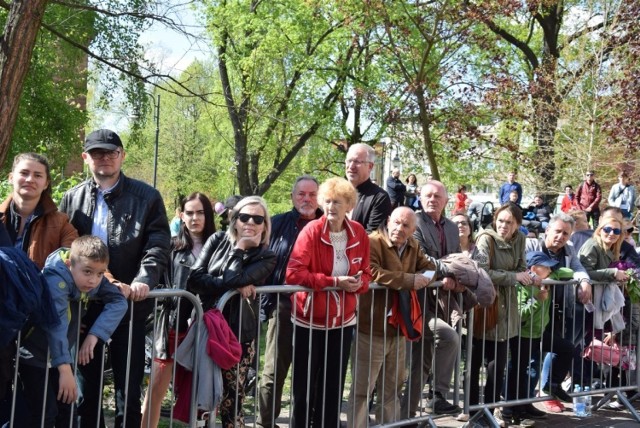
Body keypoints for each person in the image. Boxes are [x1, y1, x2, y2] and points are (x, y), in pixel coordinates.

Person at [59, 129, 171, 428]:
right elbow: (63, 247)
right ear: (86, 158)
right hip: (86, 307)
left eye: (111, 152)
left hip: (130, 307)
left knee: (128, 392)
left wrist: (143, 279)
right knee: (86, 392)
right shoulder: (72, 198)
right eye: (97, 153)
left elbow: (158, 243)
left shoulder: (147, 197)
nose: (105, 158)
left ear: (122, 155)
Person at [286, 177, 371, 428]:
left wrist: (359, 283)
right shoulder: (311, 230)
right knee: (304, 388)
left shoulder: (359, 232)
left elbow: (366, 273)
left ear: (349, 205)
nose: (332, 206)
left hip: (343, 321)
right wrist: (334, 281)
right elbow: (293, 274)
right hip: (309, 320)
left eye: (338, 201)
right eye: (328, 201)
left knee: (332, 388)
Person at [19, 236, 127, 428]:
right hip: (35, 357)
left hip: (59, 357)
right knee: (44, 414)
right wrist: (65, 370)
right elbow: (56, 325)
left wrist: (95, 335)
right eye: (87, 272)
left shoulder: (93, 278)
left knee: (67, 414)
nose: (93, 280)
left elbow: (119, 301)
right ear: (69, 264)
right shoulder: (55, 281)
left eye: (100, 273)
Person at [188, 195, 276, 427]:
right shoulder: (217, 239)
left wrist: (240, 249)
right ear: (234, 219)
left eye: (258, 219)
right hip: (208, 328)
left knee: (231, 400)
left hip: (238, 335)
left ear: (265, 225)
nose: (250, 223)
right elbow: (194, 278)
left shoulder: (267, 256)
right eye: (244, 217)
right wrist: (231, 285)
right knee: (202, 396)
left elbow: (231, 276)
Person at [347, 207, 437, 427]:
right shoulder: (372, 242)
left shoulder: (413, 245)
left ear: (413, 229)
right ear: (388, 220)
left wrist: (423, 277)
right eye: (396, 222)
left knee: (392, 390)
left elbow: (430, 268)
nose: (399, 228)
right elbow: (372, 271)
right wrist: (409, 280)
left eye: (406, 225)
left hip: (398, 329)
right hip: (372, 328)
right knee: (362, 391)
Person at [141, 192, 216, 428]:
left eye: (200, 212)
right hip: (173, 327)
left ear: (208, 215)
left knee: (201, 390)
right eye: (190, 213)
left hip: (207, 328)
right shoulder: (171, 247)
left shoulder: (220, 246)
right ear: (181, 216)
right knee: (157, 388)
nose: (195, 218)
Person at [256, 176, 323, 428]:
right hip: (283, 306)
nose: (306, 199)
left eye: (312, 194)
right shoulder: (277, 224)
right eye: (301, 194)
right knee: (274, 371)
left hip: (320, 310)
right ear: (293, 197)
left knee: (311, 374)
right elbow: (264, 259)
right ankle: (265, 422)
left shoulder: (330, 224)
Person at [401, 180, 463, 417]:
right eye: (427, 195)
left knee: (423, 362)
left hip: (441, 301)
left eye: (437, 196)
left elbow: (456, 258)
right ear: (419, 198)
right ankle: (431, 398)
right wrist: (448, 271)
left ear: (446, 201)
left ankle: (414, 412)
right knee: (445, 338)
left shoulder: (450, 227)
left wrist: (452, 274)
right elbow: (423, 260)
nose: (432, 200)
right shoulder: (414, 222)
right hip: (415, 300)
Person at [470, 203, 534, 426]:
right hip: (486, 306)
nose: (503, 225)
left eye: (509, 222)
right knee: (476, 362)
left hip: (508, 309)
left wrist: (517, 276)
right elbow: (482, 271)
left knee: (497, 367)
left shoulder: (521, 240)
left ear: (517, 225)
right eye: (501, 220)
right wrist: (513, 278)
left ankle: (489, 411)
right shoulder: (485, 238)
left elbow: (522, 268)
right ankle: (472, 413)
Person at [524, 213, 593, 412]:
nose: (561, 237)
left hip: (558, 310)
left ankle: (550, 388)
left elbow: (578, 268)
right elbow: (522, 268)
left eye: (566, 233)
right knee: (532, 357)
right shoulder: (532, 245)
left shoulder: (569, 250)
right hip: (533, 310)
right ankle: (525, 402)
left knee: (565, 348)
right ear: (547, 230)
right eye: (558, 231)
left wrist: (585, 281)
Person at [503, 251, 576, 421]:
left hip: (539, 333)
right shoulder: (523, 285)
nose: (551, 270)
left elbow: (568, 272)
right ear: (534, 268)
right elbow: (520, 315)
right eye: (547, 267)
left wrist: (546, 276)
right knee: (521, 372)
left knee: (567, 348)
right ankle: (513, 408)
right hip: (524, 335)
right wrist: (536, 299)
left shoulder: (546, 277)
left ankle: (553, 385)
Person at [0, 152, 78, 268]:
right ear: (11, 178)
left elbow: (82, 259)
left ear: (46, 183)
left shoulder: (60, 224)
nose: (30, 179)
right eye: (24, 173)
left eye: (37, 175)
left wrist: (112, 283)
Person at [345, 143, 392, 232]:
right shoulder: (336, 192)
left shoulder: (379, 198)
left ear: (370, 166)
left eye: (357, 162)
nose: (351, 166)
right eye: (349, 161)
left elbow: (374, 236)